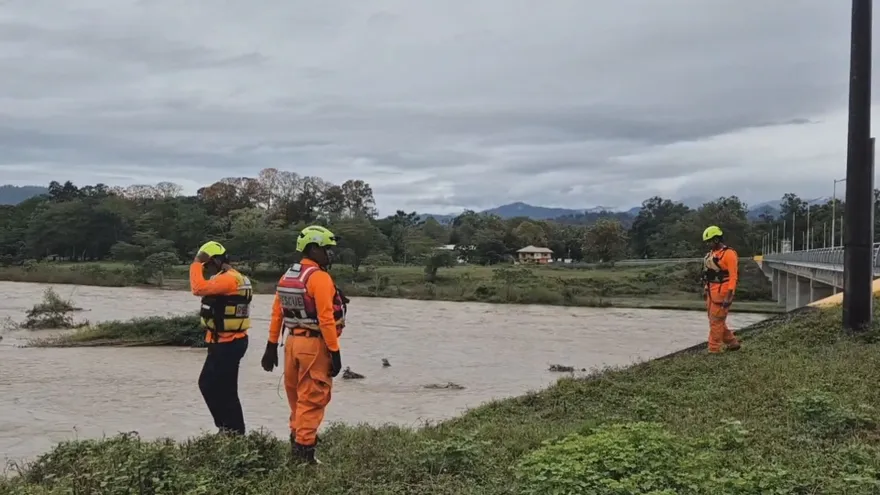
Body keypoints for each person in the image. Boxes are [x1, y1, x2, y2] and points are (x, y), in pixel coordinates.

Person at [260, 225, 348, 465]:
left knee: (297, 399)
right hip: (314, 345)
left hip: (291, 344)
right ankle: (304, 458)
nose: (330, 254)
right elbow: (326, 318)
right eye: (326, 249)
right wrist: (335, 352)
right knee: (312, 399)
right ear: (313, 249)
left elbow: (277, 313)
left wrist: (271, 346)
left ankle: (296, 446)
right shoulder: (319, 277)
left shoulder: (288, 276)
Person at [189, 240, 253, 435]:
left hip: (229, 343)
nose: (206, 269)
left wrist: (195, 264)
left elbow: (198, 288)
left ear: (216, 261)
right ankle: (229, 429)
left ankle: (232, 430)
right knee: (218, 387)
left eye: (207, 265)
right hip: (224, 342)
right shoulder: (227, 278)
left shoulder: (229, 280)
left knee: (216, 387)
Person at [701, 226, 741, 354]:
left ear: (716, 239)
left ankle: (714, 349)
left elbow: (733, 277)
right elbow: (708, 274)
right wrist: (706, 289)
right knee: (714, 320)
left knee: (716, 321)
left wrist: (729, 296)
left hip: (722, 292)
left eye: (709, 241)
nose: (708, 244)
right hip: (711, 291)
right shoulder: (711, 254)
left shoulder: (729, 254)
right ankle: (732, 343)